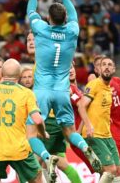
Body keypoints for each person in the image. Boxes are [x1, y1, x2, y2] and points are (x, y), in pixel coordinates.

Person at [26, 0, 101, 172]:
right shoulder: (72, 31)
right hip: (62, 91)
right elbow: (74, 15)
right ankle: (85, 148)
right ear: (65, 18)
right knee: (69, 131)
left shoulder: (40, 29)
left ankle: (45, 157)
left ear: (49, 18)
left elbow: (31, 11)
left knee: (31, 134)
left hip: (42, 90)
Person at [24, 33, 81, 183]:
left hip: (47, 121)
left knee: (30, 166)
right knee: (58, 164)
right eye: (28, 40)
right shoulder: (40, 64)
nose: (30, 42)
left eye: (34, 40)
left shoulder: (44, 62)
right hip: (56, 122)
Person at [78, 57, 120, 182]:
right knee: (111, 170)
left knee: (118, 170)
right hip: (95, 134)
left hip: (107, 135)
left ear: (114, 69)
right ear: (99, 69)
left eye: (109, 65)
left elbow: (100, 108)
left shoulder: (108, 89)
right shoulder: (95, 84)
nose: (107, 67)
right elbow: (81, 106)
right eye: (104, 65)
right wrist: (88, 125)